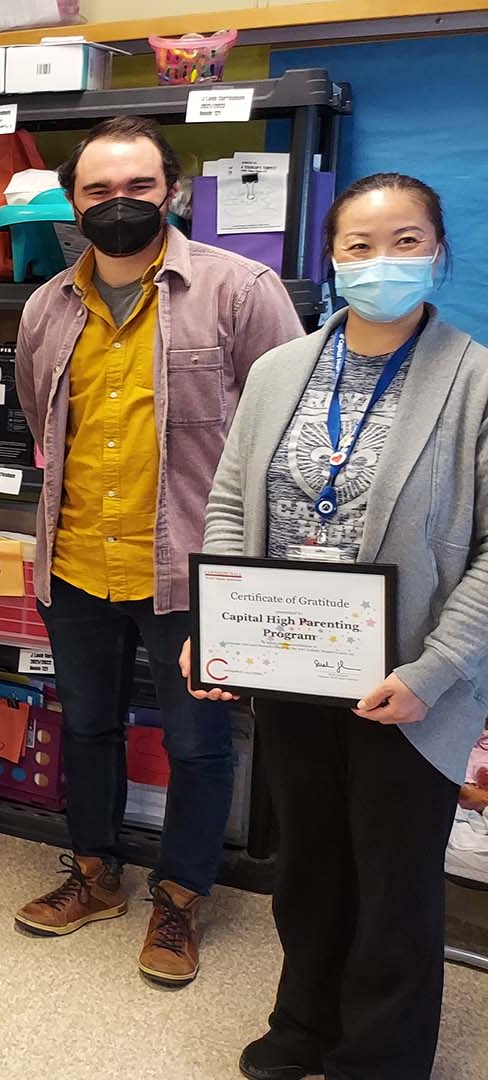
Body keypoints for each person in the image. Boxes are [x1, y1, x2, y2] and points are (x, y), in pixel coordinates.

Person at [193, 173, 488, 1079]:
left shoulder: (477, 381)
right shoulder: (282, 371)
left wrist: (435, 672)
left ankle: (381, 1053)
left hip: (408, 680)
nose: (381, 263)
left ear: (439, 252)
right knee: (311, 857)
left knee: (395, 876)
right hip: (290, 660)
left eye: (406, 242)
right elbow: (234, 501)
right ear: (330, 259)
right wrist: (219, 627)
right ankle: (305, 1022)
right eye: (359, 246)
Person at [9, 116, 303, 985]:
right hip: (75, 563)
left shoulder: (241, 292)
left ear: (172, 190)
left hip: (190, 573)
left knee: (201, 745)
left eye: (137, 187)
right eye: (98, 190)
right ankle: (95, 872)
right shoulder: (46, 306)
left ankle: (180, 897)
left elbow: (283, 434)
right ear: (73, 201)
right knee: (88, 726)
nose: (118, 204)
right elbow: (40, 420)